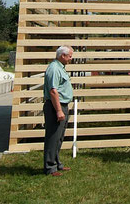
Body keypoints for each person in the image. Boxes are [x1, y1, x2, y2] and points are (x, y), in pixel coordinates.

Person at [43, 45, 74, 175]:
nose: (71, 59)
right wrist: (59, 111)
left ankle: (56, 164)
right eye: (70, 56)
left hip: (62, 105)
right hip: (55, 106)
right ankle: (50, 168)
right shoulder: (54, 69)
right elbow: (53, 91)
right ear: (62, 56)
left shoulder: (60, 68)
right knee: (53, 137)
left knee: (59, 137)